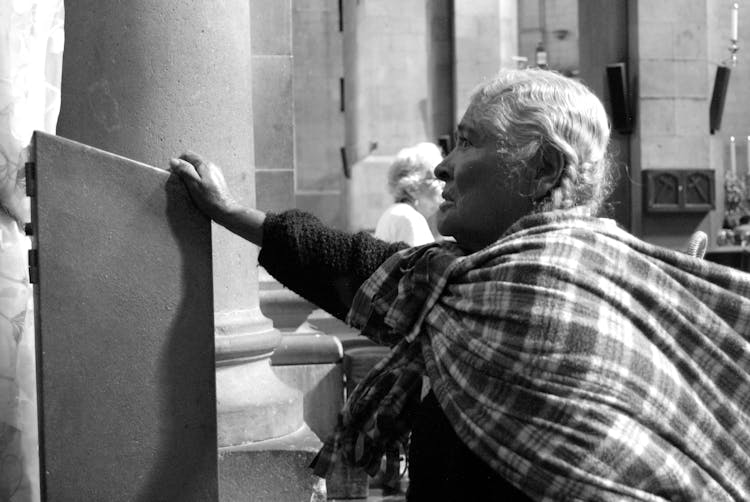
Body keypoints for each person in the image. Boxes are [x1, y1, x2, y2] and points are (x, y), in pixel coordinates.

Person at [170, 68, 750, 501]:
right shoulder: (463, 281)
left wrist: (230, 213)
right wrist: (229, 212)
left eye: (469, 141)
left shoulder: (537, 284)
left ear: (544, 169)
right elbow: (358, 263)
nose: (444, 166)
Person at [374, 142, 443, 246]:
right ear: (412, 188)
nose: (443, 184)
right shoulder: (409, 218)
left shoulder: (397, 213)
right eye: (436, 179)